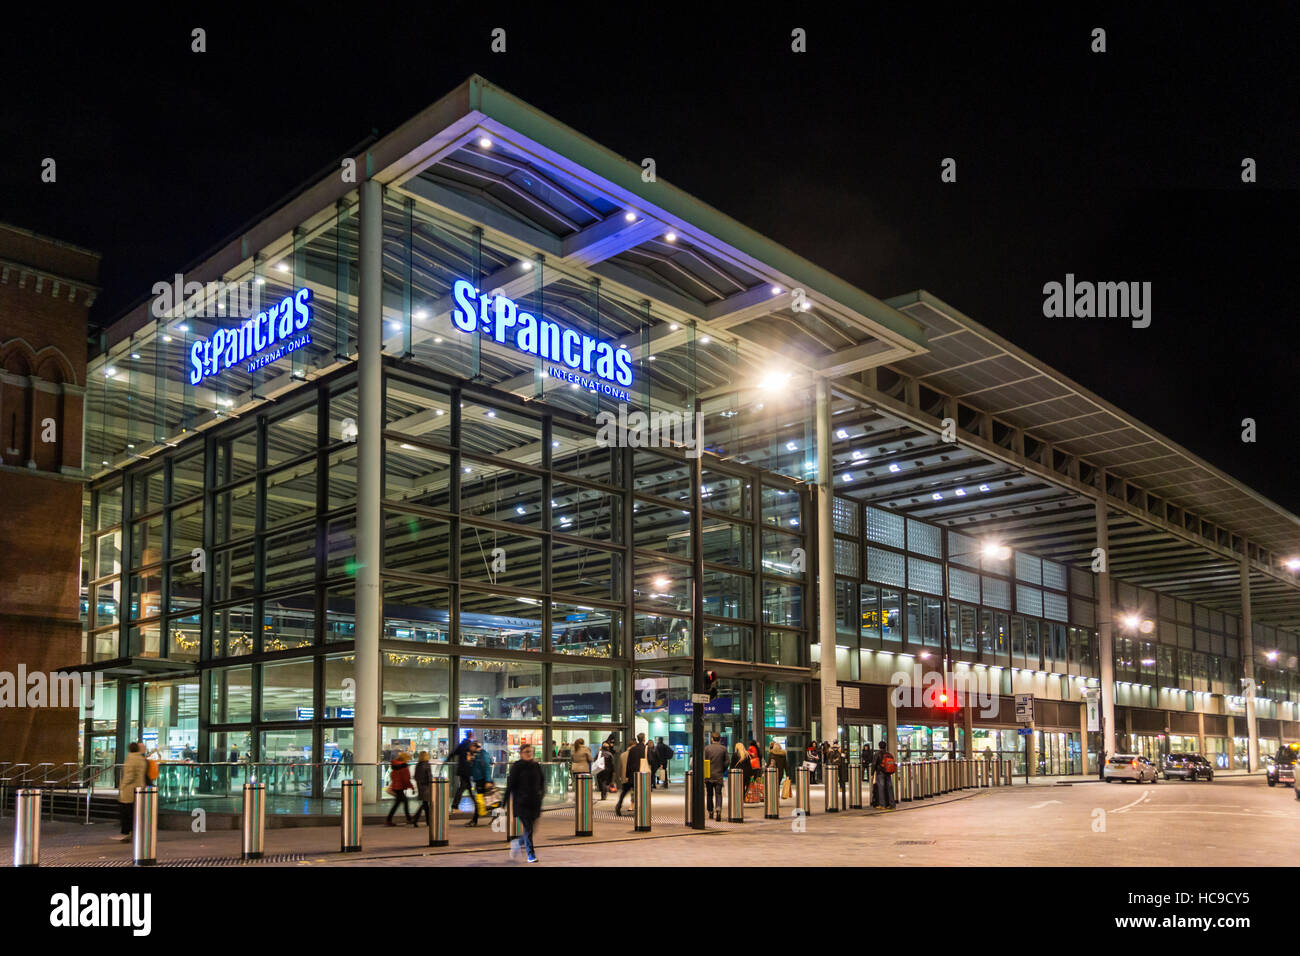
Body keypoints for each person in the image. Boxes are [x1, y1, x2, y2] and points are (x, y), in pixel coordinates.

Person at [505, 742, 545, 863]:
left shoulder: (536, 765)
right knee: (528, 829)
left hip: (534, 803)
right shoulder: (517, 766)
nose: (529, 754)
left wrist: (542, 794)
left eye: (530, 752)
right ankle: (531, 855)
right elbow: (511, 785)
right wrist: (504, 801)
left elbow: (542, 781)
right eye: (526, 752)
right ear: (521, 753)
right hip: (521, 803)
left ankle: (517, 843)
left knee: (531, 830)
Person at [115, 742, 148, 842]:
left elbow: (129, 775)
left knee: (128, 813)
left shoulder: (131, 758)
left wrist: (122, 786)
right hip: (139, 788)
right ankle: (135, 833)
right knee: (135, 813)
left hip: (129, 791)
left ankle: (130, 834)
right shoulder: (141, 759)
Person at [615, 734, 649, 816]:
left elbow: (628, 764)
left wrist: (626, 775)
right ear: (644, 739)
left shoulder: (631, 751)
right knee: (639, 792)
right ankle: (640, 809)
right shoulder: (644, 749)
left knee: (624, 791)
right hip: (640, 774)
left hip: (630, 775)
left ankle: (619, 805)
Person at [466, 742, 493, 826]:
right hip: (479, 780)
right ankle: (496, 815)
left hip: (483, 780)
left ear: (475, 747)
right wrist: (470, 759)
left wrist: (488, 781)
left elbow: (487, 768)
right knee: (484, 800)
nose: (470, 749)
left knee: (481, 800)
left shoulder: (483, 755)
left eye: (471, 747)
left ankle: (474, 820)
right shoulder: (477, 755)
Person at [449, 730, 476, 815]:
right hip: (466, 770)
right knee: (463, 787)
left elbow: (453, 753)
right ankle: (454, 806)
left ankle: (477, 806)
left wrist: (447, 759)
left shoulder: (462, 744)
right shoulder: (469, 745)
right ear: (471, 736)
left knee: (468, 787)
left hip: (462, 770)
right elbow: (472, 757)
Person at [704, 733, 728, 820]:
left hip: (709, 775)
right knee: (718, 793)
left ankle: (710, 811)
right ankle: (718, 809)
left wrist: (706, 774)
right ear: (720, 739)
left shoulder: (707, 748)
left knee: (709, 794)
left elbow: (705, 762)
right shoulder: (723, 749)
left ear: (712, 739)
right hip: (719, 775)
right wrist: (722, 769)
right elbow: (727, 762)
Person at [386, 752, 413, 826]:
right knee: (403, 802)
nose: (408, 760)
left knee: (398, 803)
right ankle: (409, 819)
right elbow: (406, 778)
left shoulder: (395, 766)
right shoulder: (404, 767)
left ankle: (389, 820)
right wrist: (411, 786)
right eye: (408, 759)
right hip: (400, 787)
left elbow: (392, 776)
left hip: (396, 787)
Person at [872, 740, 897, 809]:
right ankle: (892, 804)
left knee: (881, 788)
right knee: (889, 788)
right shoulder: (889, 754)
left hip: (880, 773)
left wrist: (872, 773)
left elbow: (874, 764)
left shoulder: (877, 754)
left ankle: (882, 805)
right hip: (888, 773)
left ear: (879, 746)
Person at [412, 751, 433, 826]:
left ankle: (426, 821)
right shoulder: (427, 765)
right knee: (425, 804)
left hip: (420, 786)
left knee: (425, 804)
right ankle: (416, 819)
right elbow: (429, 776)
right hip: (426, 787)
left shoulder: (418, 765)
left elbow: (415, 776)